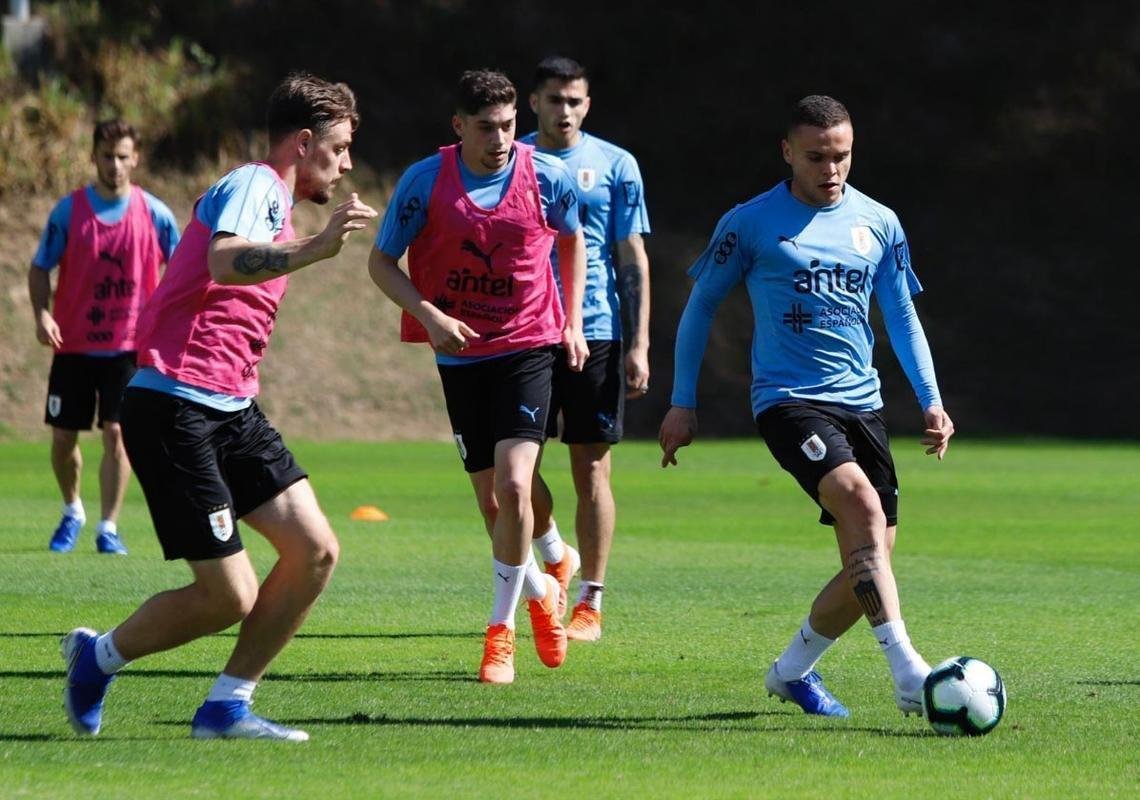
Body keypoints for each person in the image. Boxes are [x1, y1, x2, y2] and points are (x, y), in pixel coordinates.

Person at [59, 72, 378, 741]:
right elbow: (226, 260)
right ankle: (98, 657)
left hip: (232, 410)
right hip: (173, 404)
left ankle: (227, 705)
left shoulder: (277, 206)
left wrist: (305, 245)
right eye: (340, 146)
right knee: (227, 596)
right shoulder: (256, 184)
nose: (346, 163)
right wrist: (317, 249)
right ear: (302, 142)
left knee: (316, 550)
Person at [659, 95, 955, 718]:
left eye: (841, 155)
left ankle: (791, 671)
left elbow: (900, 315)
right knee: (862, 507)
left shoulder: (879, 222)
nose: (830, 168)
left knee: (871, 557)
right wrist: (682, 402)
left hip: (863, 406)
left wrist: (931, 400)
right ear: (787, 151)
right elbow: (700, 307)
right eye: (816, 155)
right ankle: (908, 673)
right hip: (788, 402)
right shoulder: (749, 222)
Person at [368, 69, 589, 684]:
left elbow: (573, 243)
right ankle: (543, 586)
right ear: (459, 126)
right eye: (486, 127)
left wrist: (571, 321)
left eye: (509, 126)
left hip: (528, 345)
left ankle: (500, 634)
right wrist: (428, 313)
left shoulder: (547, 176)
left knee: (517, 486)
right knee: (494, 505)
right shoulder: (423, 183)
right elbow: (381, 262)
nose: (500, 139)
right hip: (460, 355)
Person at [520, 56, 651, 641]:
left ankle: (591, 600)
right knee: (515, 471)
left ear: (587, 105)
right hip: (524, 328)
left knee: (591, 466)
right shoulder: (513, 159)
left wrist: (639, 341)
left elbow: (630, 255)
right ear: (534, 103)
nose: (564, 111)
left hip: (595, 328)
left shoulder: (616, 164)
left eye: (574, 101)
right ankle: (554, 550)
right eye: (554, 99)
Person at [28, 119, 180, 555]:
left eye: (123, 157)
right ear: (93, 157)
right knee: (63, 439)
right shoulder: (69, 212)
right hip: (73, 344)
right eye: (107, 156)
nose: (115, 165)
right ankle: (72, 508)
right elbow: (40, 267)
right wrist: (42, 314)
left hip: (128, 348)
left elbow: (185, 270)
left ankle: (108, 526)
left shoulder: (154, 214)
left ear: (135, 159)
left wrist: (169, 323)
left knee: (117, 433)